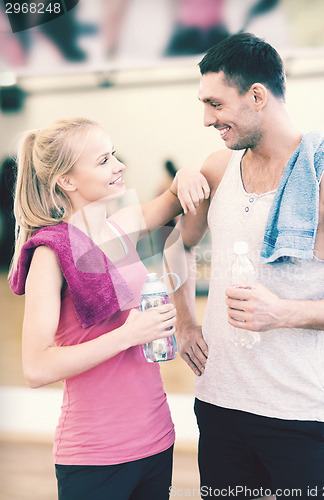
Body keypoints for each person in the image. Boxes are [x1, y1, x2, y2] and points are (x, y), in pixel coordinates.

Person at [172, 33, 324, 499]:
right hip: (219, 405)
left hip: (297, 415)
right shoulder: (217, 169)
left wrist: (283, 313)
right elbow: (174, 246)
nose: (207, 119)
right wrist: (185, 321)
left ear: (258, 95)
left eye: (215, 104)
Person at [8, 117, 209, 500]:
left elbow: (175, 195)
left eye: (113, 154)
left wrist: (184, 174)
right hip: (94, 455)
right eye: (103, 161)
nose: (118, 165)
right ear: (67, 181)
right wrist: (127, 335)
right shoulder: (51, 254)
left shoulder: (122, 227)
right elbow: (36, 368)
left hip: (156, 439)